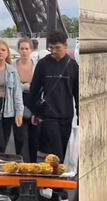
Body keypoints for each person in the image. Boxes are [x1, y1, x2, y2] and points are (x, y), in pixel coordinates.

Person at [30, 31, 79, 162]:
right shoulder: (42, 64)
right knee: (57, 153)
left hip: (66, 116)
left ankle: (57, 177)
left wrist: (80, 115)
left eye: (57, 47)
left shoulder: (73, 66)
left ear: (66, 46)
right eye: (51, 47)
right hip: (49, 116)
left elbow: (77, 93)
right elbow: (34, 90)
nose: (53, 51)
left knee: (62, 152)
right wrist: (37, 111)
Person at [15, 38, 37, 162]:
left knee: (33, 136)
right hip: (18, 101)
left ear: (31, 50)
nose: (24, 51)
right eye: (22, 48)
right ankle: (21, 162)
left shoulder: (37, 65)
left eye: (26, 48)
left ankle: (33, 163)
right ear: (18, 50)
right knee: (20, 136)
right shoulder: (13, 65)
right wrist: (25, 86)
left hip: (33, 101)